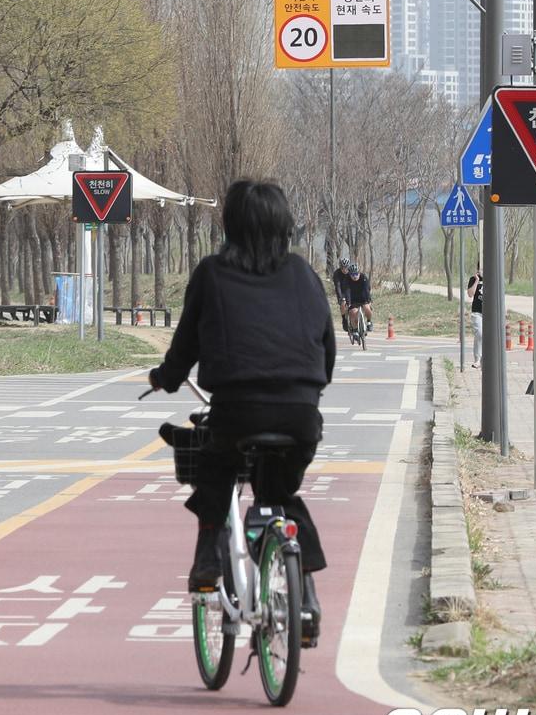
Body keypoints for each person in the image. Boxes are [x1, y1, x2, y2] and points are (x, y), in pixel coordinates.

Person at [148, 180, 334, 647]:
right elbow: (327, 350)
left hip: (237, 413)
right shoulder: (304, 274)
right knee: (281, 493)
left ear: (230, 226)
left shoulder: (211, 273)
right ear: (285, 225)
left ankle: (209, 560)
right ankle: (305, 599)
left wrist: (165, 379)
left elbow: (184, 347)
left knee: (216, 470)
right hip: (300, 415)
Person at [346, 262, 374, 334]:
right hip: (353, 299)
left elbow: (367, 289)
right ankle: (355, 330)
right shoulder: (347, 280)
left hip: (363, 297)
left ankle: (369, 322)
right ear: (349, 275)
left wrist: (368, 300)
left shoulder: (363, 277)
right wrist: (348, 302)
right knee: (353, 313)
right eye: (352, 275)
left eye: (356, 274)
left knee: (367, 308)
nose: (355, 276)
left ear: (359, 273)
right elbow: (347, 292)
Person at [467, 265, 484, 369]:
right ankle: (477, 359)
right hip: (477, 312)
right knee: (480, 333)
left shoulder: (493, 277)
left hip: (490, 313)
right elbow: (470, 294)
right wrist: (477, 281)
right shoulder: (473, 279)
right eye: (480, 268)